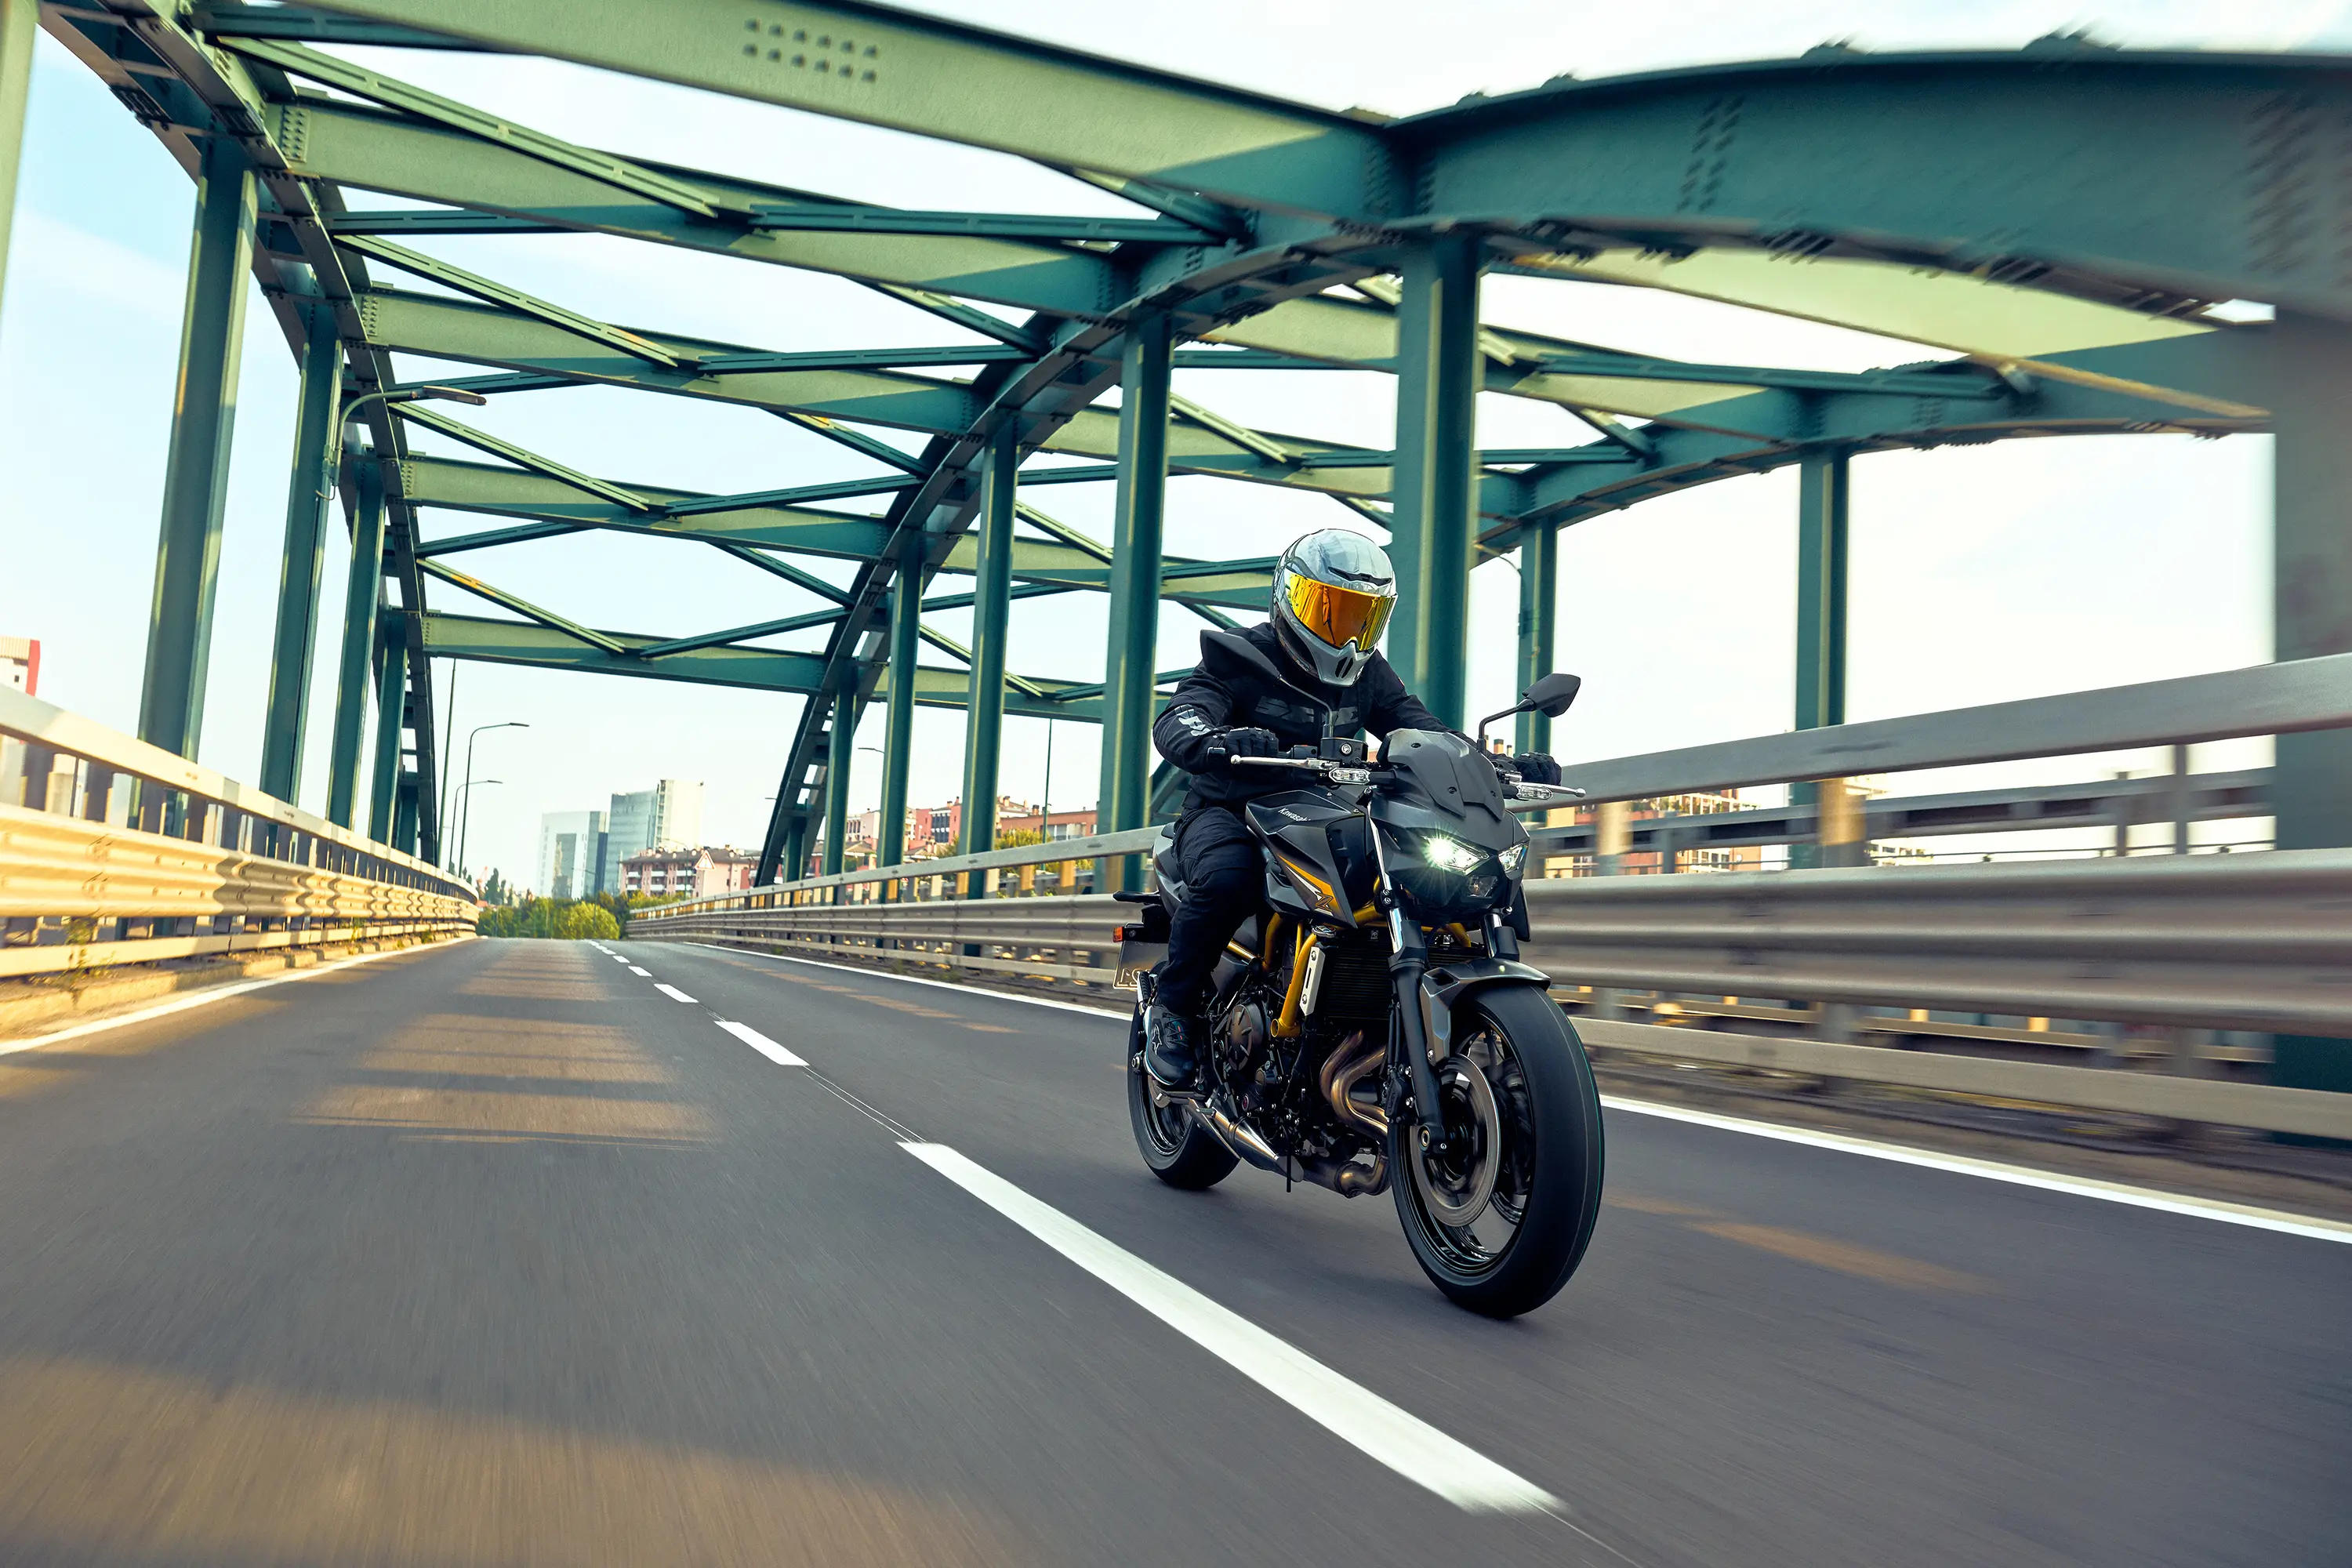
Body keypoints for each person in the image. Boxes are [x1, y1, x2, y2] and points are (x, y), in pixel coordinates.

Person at [1142, 529, 1562, 1091]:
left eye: (1363, 617)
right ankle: (1172, 1013)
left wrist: (1492, 763)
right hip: (1231, 810)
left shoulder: (1369, 675)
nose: (1347, 633)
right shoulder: (1239, 658)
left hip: (1322, 812)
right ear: (1291, 598)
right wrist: (1215, 739)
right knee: (1227, 878)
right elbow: (1182, 716)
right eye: (1332, 610)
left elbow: (1423, 729)